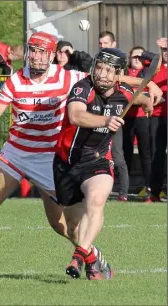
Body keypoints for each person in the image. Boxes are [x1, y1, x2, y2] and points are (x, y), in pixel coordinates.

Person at [0, 31, 112, 280]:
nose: (35, 57)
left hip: (50, 158)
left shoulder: (68, 78)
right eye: (32, 50)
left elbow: (105, 79)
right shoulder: (16, 80)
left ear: (52, 55)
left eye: (41, 52)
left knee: (63, 225)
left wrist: (147, 88)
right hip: (15, 155)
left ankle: (92, 256)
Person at [54, 48, 154, 280]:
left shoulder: (123, 91)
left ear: (118, 73)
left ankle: (78, 256)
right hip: (66, 163)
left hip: (97, 160)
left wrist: (148, 102)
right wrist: (105, 120)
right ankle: (93, 258)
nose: (102, 74)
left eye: (109, 70)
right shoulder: (82, 88)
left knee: (97, 200)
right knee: (71, 226)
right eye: (100, 67)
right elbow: (75, 115)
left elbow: (138, 96)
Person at [98, 31, 129, 201]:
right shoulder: (98, 62)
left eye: (106, 43)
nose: (102, 46)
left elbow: (123, 82)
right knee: (98, 157)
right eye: (100, 43)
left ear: (114, 44)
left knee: (118, 157)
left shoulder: (120, 61)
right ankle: (101, 190)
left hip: (115, 115)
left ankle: (123, 193)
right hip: (99, 118)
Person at [141, 38, 167, 202]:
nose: (166, 54)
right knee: (157, 154)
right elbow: (142, 54)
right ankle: (154, 193)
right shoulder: (154, 66)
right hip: (157, 116)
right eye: (164, 51)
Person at [123, 46, 151, 198]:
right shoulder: (124, 72)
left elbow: (156, 60)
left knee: (145, 154)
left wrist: (145, 56)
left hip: (142, 118)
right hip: (126, 118)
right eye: (135, 57)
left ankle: (149, 187)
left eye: (141, 57)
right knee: (125, 153)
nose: (137, 60)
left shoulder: (146, 72)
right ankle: (124, 190)